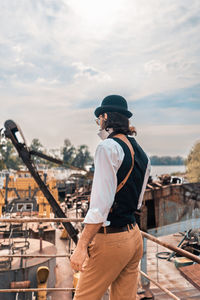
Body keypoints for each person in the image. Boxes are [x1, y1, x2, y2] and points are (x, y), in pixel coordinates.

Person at [70, 95, 151, 300]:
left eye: (99, 119)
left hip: (112, 239)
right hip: (134, 236)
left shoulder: (107, 148)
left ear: (105, 117)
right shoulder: (143, 154)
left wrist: (81, 247)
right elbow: (138, 201)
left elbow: (99, 207)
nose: (99, 123)